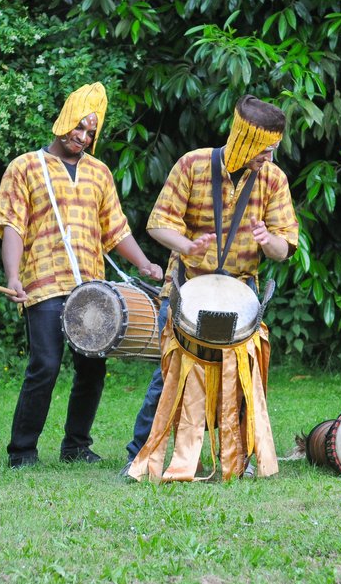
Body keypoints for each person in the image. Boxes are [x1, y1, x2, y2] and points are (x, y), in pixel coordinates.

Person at [124, 95, 299, 481]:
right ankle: (141, 455)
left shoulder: (273, 179)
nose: (269, 157)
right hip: (188, 288)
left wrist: (267, 239)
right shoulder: (192, 164)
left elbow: (284, 249)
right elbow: (158, 223)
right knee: (169, 376)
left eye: (273, 149)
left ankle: (242, 458)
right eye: (264, 149)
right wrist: (187, 246)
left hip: (240, 291)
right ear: (244, 141)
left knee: (243, 381)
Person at [0, 82, 163, 468]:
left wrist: (142, 264)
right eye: (79, 128)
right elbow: (12, 226)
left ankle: (75, 445)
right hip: (44, 282)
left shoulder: (99, 172)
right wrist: (13, 275)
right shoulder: (25, 167)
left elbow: (115, 229)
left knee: (91, 368)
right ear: (64, 120)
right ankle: (22, 450)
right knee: (46, 365)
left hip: (90, 288)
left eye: (91, 132)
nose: (83, 138)